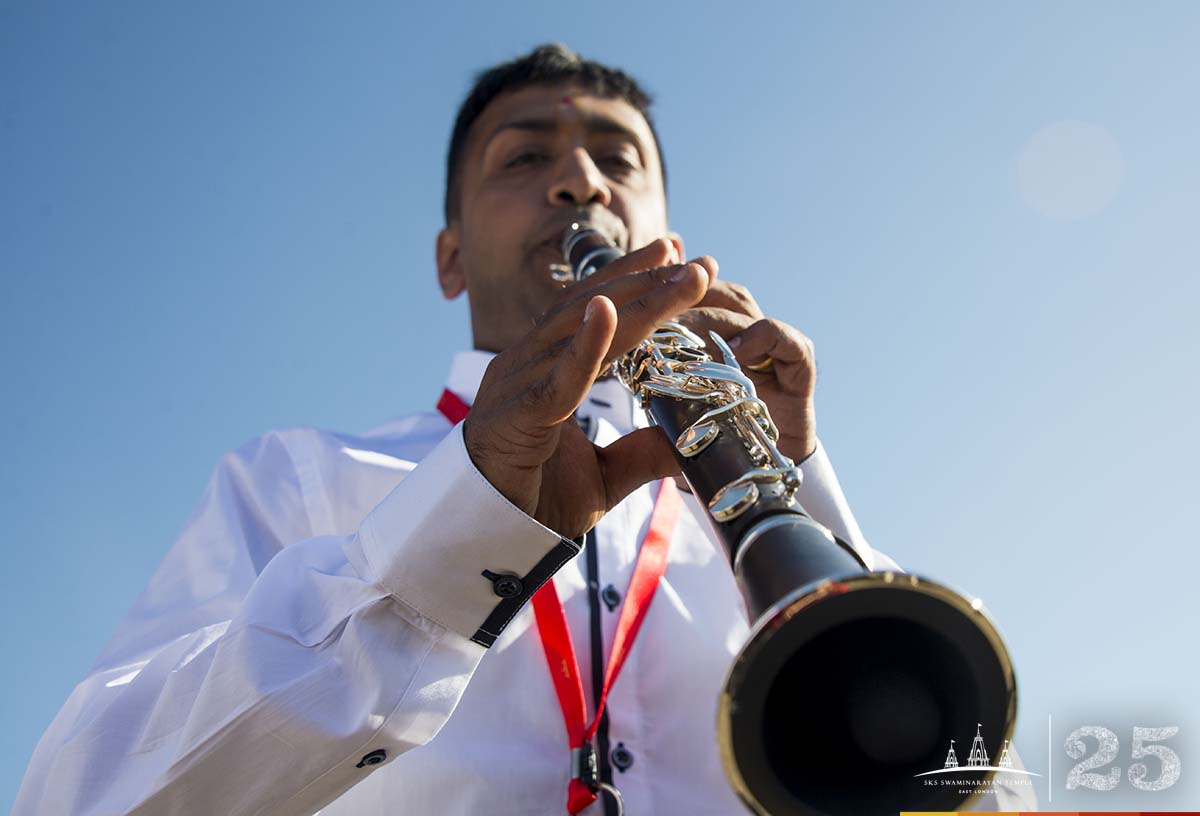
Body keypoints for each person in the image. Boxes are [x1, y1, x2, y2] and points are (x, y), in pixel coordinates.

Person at [16, 44, 1034, 815]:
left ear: (666, 243)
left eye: (615, 158)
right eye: (525, 158)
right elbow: (83, 795)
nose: (579, 181)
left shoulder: (793, 514)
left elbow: (991, 795)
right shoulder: (295, 478)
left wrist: (799, 485)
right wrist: (449, 547)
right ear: (450, 257)